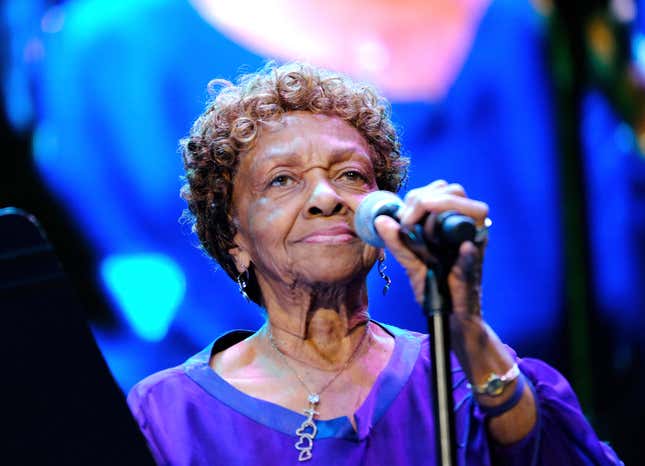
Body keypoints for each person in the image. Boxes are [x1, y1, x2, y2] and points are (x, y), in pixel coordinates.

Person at [127, 62, 622, 465]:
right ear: (235, 239)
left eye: (350, 175)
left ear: (380, 221)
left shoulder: (459, 376)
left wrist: (468, 330)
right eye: (282, 180)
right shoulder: (169, 416)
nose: (326, 197)